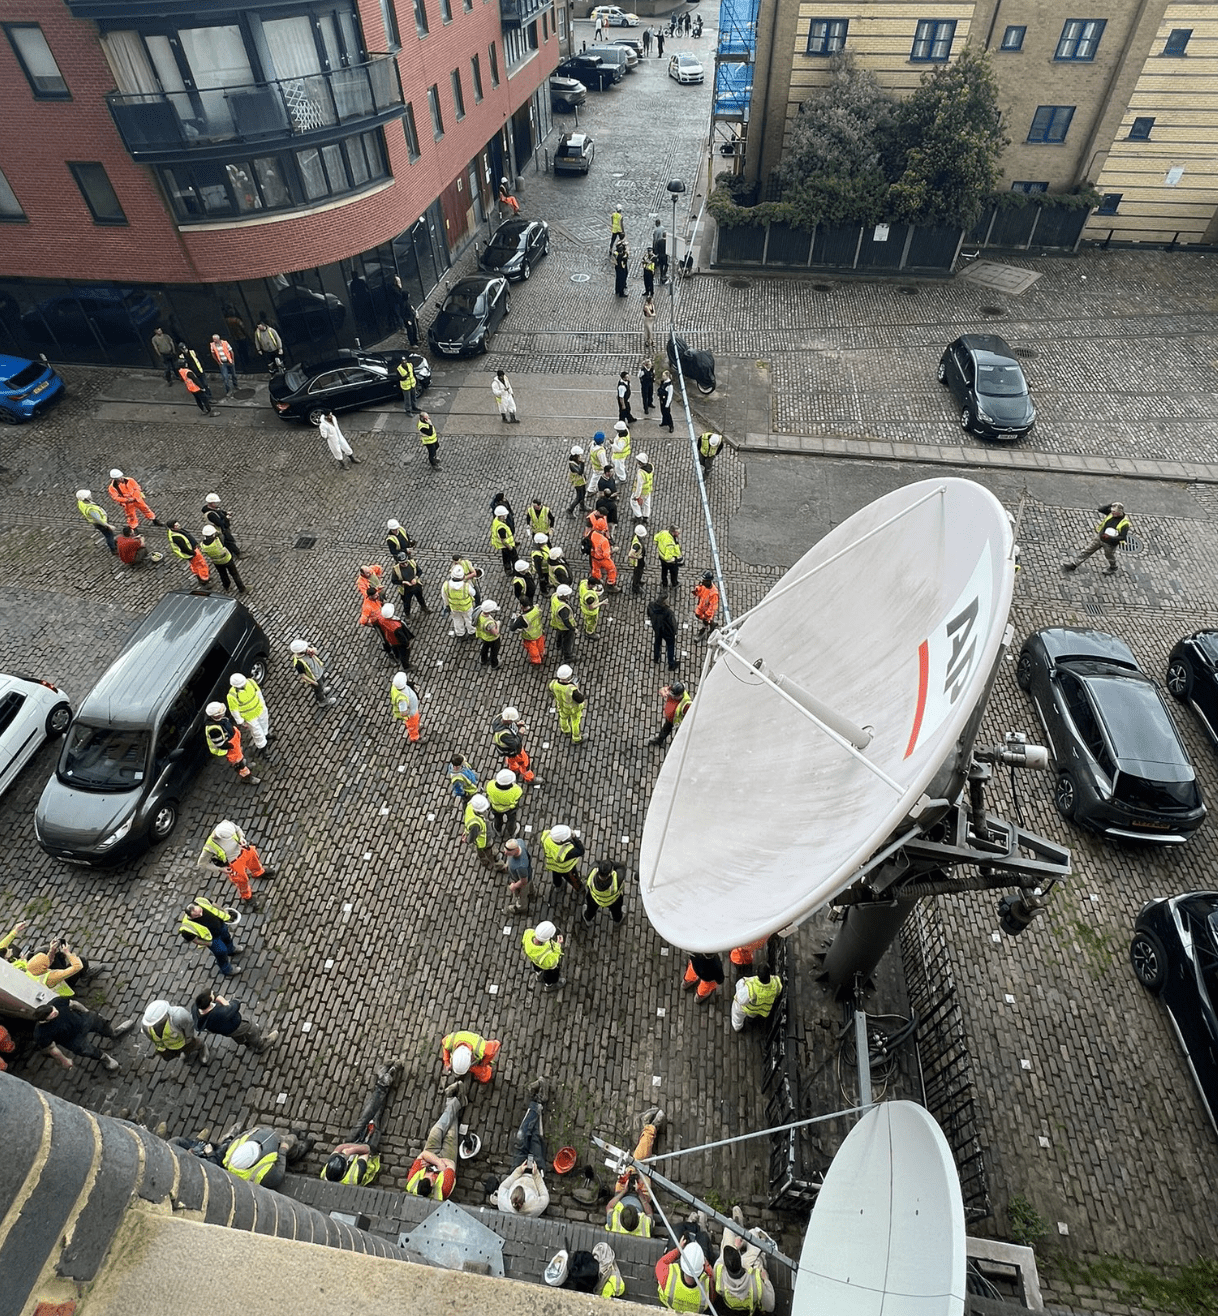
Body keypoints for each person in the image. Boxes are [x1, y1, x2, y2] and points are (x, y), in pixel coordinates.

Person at [320, 1061, 401, 1186]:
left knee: (363, 1120)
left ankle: (383, 1081)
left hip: (352, 1148)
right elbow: (366, 1150)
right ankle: (383, 1082)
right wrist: (351, 1151)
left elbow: (338, 1149)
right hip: (368, 1155)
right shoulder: (354, 1176)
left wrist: (345, 1150)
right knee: (376, 1119)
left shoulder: (327, 1172)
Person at [497, 1080, 551, 1216]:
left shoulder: (503, 1201)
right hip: (534, 1175)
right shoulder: (534, 1207)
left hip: (519, 1170)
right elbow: (545, 1197)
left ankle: (536, 1103)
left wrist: (518, 1172)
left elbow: (503, 1187)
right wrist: (536, 1175)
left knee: (521, 1137)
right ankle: (537, 1102)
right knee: (535, 1138)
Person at [32, 1002, 133, 1073]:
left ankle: (113, 1033)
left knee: (99, 1021)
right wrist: (64, 1060)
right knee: (86, 1050)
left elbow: (74, 1004)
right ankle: (104, 1058)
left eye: (54, 1009)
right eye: (53, 1013)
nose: (56, 1011)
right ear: (45, 1019)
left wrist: (87, 1012)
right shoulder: (41, 1033)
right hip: (72, 1039)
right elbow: (52, 1049)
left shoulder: (56, 1002)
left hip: (82, 1021)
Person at [406, 1082, 467, 1198]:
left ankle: (455, 1101)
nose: (429, 1173)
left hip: (435, 1156)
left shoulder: (412, 1183)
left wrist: (438, 1163)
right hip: (446, 1157)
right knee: (451, 1132)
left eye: (426, 1174)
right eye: (430, 1177)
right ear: (433, 1185)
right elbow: (451, 1164)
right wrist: (432, 1160)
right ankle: (453, 1100)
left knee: (437, 1129)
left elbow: (423, 1154)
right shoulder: (443, 1190)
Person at [714, 1207, 776, 1312]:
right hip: (748, 1270)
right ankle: (742, 1232)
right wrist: (766, 1280)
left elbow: (722, 1260)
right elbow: (770, 1307)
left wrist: (735, 1248)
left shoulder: (719, 1272)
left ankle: (737, 1229)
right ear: (739, 1257)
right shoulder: (756, 1284)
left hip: (730, 1284)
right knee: (752, 1233)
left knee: (729, 1225)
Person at [201, 819, 275, 904]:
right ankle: (247, 896)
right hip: (234, 863)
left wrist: (241, 838)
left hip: (244, 851)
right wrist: (221, 869)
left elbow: (237, 829)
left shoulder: (226, 825)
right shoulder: (209, 847)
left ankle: (259, 873)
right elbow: (202, 864)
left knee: (254, 861)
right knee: (241, 881)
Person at [194, 988, 280, 1055]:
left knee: (238, 1037)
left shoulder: (196, 1010)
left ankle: (246, 1043)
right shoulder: (220, 1013)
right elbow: (234, 1005)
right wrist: (219, 998)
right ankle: (261, 1045)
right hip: (237, 1024)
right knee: (252, 1029)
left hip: (226, 1031)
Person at [223, 1126, 308, 1187]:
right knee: (288, 1144)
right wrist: (283, 1151)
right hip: (275, 1163)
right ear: (254, 1162)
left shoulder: (231, 1150)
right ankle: (295, 1155)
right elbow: (278, 1174)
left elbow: (244, 1135)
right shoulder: (262, 1175)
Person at [178, 897, 241, 977]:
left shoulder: (201, 901)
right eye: (197, 915)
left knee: (227, 938)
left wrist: (224, 912)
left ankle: (231, 950)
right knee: (221, 953)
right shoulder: (186, 929)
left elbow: (214, 905)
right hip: (212, 939)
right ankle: (227, 970)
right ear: (190, 916)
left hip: (220, 926)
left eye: (200, 911)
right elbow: (195, 940)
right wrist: (209, 943)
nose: (201, 915)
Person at [1063, 501, 1131, 574]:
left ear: (1120, 512)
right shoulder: (1111, 514)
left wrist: (1110, 538)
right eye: (1112, 511)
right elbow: (1100, 509)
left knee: (1109, 556)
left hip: (1110, 544)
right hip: (1100, 537)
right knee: (1087, 550)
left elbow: (1122, 537)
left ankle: (1113, 567)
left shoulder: (1124, 523)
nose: (1112, 513)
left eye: (1114, 512)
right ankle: (1074, 564)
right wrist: (1111, 505)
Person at [141, 998, 208, 1066]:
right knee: (175, 1054)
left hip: (183, 1040)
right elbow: (150, 1037)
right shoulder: (146, 1025)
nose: (155, 1025)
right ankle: (184, 1052)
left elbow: (189, 1025)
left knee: (193, 1045)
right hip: (167, 1047)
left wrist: (188, 1038)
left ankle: (202, 1046)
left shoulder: (179, 1016)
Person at [204, 703, 259, 786]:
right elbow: (221, 744)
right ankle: (247, 777)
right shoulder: (213, 730)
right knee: (238, 764)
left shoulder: (219, 720)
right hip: (230, 748)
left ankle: (245, 764)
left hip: (234, 743)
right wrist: (232, 746)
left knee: (240, 755)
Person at [657, 1242, 715, 1312]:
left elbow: (661, 1263)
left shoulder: (668, 1276)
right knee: (703, 1238)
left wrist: (678, 1250)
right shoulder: (707, 1286)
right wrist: (707, 1266)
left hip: (668, 1307)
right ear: (702, 1267)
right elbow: (712, 1298)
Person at [493, 706, 540, 784]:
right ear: (508, 720)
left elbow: (509, 727)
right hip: (514, 752)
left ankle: (513, 769)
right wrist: (521, 732)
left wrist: (517, 725)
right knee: (525, 763)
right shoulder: (505, 735)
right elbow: (515, 743)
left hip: (507, 752)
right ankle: (529, 778)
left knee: (511, 761)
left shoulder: (499, 719)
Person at [731, 963, 783, 1032]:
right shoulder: (776, 984)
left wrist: (742, 982)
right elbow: (778, 990)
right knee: (752, 1014)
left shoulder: (751, 989)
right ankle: (750, 1020)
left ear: (757, 973)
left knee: (737, 1014)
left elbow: (740, 999)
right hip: (759, 1009)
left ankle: (737, 1027)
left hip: (746, 1008)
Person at [227, 672, 270, 751]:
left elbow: (258, 693)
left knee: (264, 723)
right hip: (250, 717)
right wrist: (241, 721)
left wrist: (263, 705)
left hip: (260, 710)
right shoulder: (232, 695)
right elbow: (234, 710)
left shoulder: (250, 682)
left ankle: (266, 734)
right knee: (257, 733)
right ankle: (263, 747)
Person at [540, 821, 584, 892]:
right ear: (561, 842)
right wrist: (574, 837)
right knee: (573, 879)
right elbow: (581, 851)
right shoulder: (564, 853)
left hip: (553, 865)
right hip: (565, 869)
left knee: (556, 875)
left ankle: (558, 886)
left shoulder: (546, 836)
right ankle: (579, 888)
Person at [200, 524, 245, 592]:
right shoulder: (218, 540)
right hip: (226, 559)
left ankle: (226, 586)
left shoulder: (202, 545)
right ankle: (242, 588)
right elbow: (221, 536)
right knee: (234, 574)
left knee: (222, 574)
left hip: (216, 561)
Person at [290, 638, 336, 707]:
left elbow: (315, 651)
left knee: (322, 681)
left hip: (318, 671)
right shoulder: (299, 663)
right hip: (314, 677)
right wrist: (313, 682)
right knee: (318, 690)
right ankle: (322, 701)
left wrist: (313, 651)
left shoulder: (306, 651)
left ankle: (322, 690)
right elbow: (302, 675)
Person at [166, 518, 210, 587]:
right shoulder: (177, 538)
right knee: (200, 564)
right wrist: (193, 553)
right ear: (173, 528)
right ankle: (204, 579)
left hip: (192, 550)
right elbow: (184, 548)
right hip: (192, 553)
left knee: (196, 566)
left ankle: (201, 577)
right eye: (176, 525)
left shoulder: (176, 531)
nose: (178, 525)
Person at [549, 662, 586, 743]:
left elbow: (552, 693)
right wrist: (576, 687)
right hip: (573, 709)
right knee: (575, 722)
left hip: (561, 706)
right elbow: (580, 699)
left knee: (563, 718)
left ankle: (565, 730)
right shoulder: (571, 689)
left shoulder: (553, 684)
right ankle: (576, 738)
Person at [583, 859, 625, 926]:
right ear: (609, 874)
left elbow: (596, 862)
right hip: (613, 900)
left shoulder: (591, 872)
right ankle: (617, 922)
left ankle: (588, 919)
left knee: (590, 910)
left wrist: (603, 865)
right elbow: (621, 868)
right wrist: (611, 863)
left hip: (594, 898)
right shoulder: (617, 880)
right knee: (616, 912)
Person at [522, 920, 563, 988]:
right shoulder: (546, 954)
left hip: (535, 960)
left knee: (536, 966)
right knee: (550, 975)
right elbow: (554, 962)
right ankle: (549, 985)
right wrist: (558, 944)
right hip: (546, 965)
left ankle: (538, 973)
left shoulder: (528, 933)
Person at [76, 489, 118, 554]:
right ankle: (113, 548)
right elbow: (99, 520)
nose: (90, 495)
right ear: (85, 498)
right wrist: (108, 525)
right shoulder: (91, 509)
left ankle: (112, 544)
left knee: (108, 534)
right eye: (88, 495)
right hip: (101, 524)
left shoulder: (80, 502)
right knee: (109, 535)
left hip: (96, 523)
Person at [649, 681, 691, 745]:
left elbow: (688, 717)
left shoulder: (686, 705)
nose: (672, 697)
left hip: (676, 722)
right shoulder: (673, 692)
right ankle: (659, 740)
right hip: (669, 720)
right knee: (665, 730)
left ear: (680, 695)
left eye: (674, 696)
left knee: (679, 735)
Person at [373, 602, 414, 668]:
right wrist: (407, 644)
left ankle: (397, 655)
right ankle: (406, 666)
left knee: (395, 648)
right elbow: (402, 638)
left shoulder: (380, 619)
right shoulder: (396, 626)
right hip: (398, 641)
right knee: (404, 653)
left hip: (390, 639)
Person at [442, 565, 477, 638]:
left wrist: (447, 605)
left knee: (457, 620)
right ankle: (471, 631)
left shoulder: (446, 585)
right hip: (466, 607)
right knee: (469, 619)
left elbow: (444, 596)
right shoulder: (466, 586)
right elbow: (473, 593)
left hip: (454, 607)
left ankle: (460, 633)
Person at [487, 767, 522, 837]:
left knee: (497, 819)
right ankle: (512, 831)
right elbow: (516, 799)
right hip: (509, 808)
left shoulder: (490, 785)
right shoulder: (517, 790)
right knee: (511, 820)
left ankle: (498, 829)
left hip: (495, 807)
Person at [464, 793, 496, 871]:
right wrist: (468, 839)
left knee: (481, 853)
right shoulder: (476, 824)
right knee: (489, 852)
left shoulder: (470, 806)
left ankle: (484, 861)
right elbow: (472, 837)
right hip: (483, 841)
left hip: (479, 839)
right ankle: (496, 864)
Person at [393, 551, 428, 618]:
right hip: (405, 589)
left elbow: (419, 572)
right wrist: (403, 582)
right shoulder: (396, 569)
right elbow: (394, 581)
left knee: (420, 598)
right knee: (407, 603)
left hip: (416, 586)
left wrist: (415, 578)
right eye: (403, 563)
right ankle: (407, 615)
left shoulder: (413, 563)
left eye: (406, 562)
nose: (405, 564)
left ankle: (424, 607)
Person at [647, 596, 679, 671]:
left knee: (657, 642)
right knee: (670, 646)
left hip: (657, 629)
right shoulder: (668, 612)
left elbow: (648, 614)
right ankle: (671, 664)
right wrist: (674, 632)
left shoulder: (651, 606)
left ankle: (656, 657)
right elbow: (673, 624)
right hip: (667, 632)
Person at [511, 599, 546, 666]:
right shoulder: (536, 608)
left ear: (522, 606)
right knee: (540, 644)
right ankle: (542, 654)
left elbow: (512, 628)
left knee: (532, 649)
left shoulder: (522, 618)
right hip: (539, 631)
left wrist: (513, 619)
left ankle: (536, 660)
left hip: (530, 636)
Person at [390, 671, 422, 743]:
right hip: (411, 714)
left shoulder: (395, 687)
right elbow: (403, 712)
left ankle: (417, 726)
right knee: (412, 726)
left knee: (416, 720)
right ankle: (415, 737)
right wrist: (410, 713)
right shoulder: (402, 699)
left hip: (413, 710)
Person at [502, 836, 532, 912]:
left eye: (508, 852)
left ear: (515, 850)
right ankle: (531, 893)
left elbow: (524, 881)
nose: (505, 853)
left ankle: (521, 907)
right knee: (530, 885)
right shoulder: (519, 842)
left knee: (522, 895)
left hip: (521, 880)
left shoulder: (520, 866)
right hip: (529, 873)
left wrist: (514, 886)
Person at [549, 584, 578, 662]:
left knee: (559, 634)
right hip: (565, 627)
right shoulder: (563, 609)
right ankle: (568, 656)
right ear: (564, 596)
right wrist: (573, 629)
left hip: (557, 623)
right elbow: (566, 621)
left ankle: (558, 645)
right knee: (567, 641)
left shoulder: (554, 596)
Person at [589, 525, 618, 592]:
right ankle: (610, 585)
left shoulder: (592, 534)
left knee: (595, 571)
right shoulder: (604, 540)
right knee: (611, 569)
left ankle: (596, 583)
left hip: (594, 558)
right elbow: (606, 555)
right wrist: (613, 550)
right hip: (602, 559)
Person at [490, 506, 516, 577]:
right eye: (504, 515)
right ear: (500, 516)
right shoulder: (501, 528)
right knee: (514, 558)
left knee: (506, 557)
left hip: (502, 546)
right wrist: (510, 547)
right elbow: (503, 540)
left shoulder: (496, 520)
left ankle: (507, 569)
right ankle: (514, 571)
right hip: (506, 545)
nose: (505, 516)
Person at [693, 573, 719, 637]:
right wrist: (697, 590)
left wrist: (707, 615)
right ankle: (712, 624)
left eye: (704, 580)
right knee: (697, 614)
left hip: (707, 611)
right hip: (701, 606)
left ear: (708, 581)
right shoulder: (704, 586)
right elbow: (700, 592)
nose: (702, 581)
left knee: (705, 620)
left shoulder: (714, 593)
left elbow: (713, 606)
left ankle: (704, 629)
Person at [630, 454, 654, 523]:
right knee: (647, 503)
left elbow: (639, 486)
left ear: (640, 463)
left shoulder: (640, 473)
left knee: (633, 502)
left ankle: (638, 516)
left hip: (642, 491)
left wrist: (636, 496)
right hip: (648, 490)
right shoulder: (651, 466)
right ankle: (646, 516)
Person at [567, 445, 588, 515]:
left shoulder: (576, 459)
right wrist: (582, 463)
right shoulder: (572, 465)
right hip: (578, 482)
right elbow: (580, 472)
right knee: (579, 497)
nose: (580, 456)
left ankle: (582, 506)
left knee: (583, 493)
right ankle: (570, 509)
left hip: (581, 480)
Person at [628, 523, 648, 595]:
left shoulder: (636, 537)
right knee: (637, 573)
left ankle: (638, 581)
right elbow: (630, 554)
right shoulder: (636, 545)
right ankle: (635, 587)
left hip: (640, 560)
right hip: (638, 561)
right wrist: (637, 557)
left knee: (639, 572)